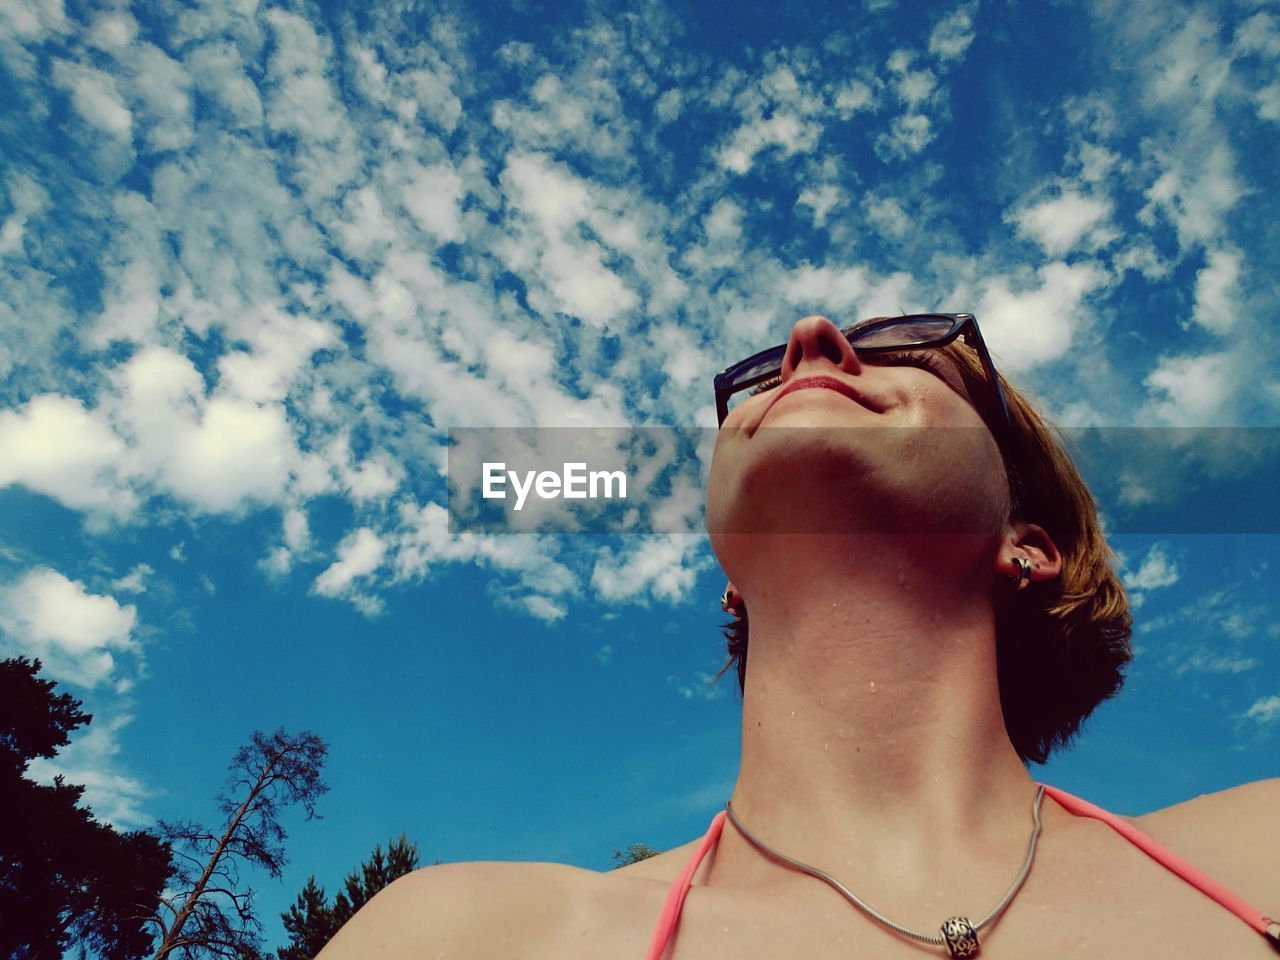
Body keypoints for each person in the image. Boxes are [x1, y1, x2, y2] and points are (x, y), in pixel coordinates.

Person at [321, 314, 1279, 959]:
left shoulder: (1261, 849)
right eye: (754, 384)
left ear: (1029, 545)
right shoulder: (470, 938)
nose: (809, 339)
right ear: (730, 589)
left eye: (912, 352)